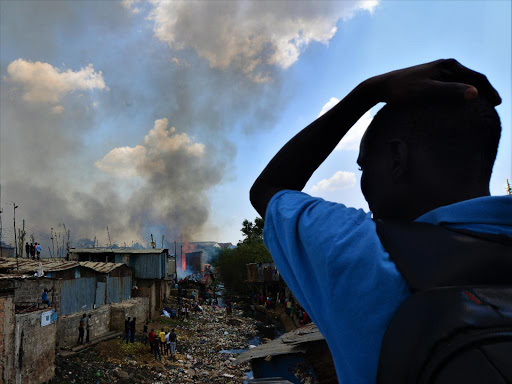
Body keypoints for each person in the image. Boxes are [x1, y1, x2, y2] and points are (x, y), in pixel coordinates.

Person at [250, 59, 507, 383]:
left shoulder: (365, 254)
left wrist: (367, 92)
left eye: (363, 167)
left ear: (397, 158)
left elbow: (267, 189)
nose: (364, 183)